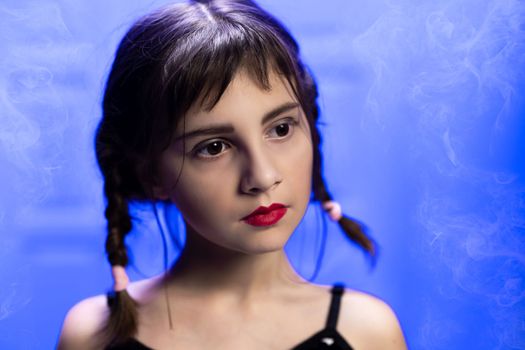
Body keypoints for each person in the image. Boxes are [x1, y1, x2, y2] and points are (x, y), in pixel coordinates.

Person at [57, 0, 407, 349]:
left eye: (281, 128)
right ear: (150, 173)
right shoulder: (92, 335)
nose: (263, 176)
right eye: (213, 147)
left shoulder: (367, 333)